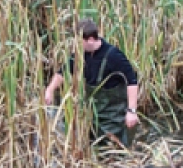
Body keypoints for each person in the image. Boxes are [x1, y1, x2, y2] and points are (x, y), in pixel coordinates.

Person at [44, 18, 140, 147]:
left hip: (114, 116)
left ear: (90, 40)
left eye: (80, 41)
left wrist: (132, 111)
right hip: (93, 113)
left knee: (113, 151)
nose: (77, 45)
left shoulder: (114, 56)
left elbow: (132, 82)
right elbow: (63, 71)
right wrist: (50, 90)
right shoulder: (81, 54)